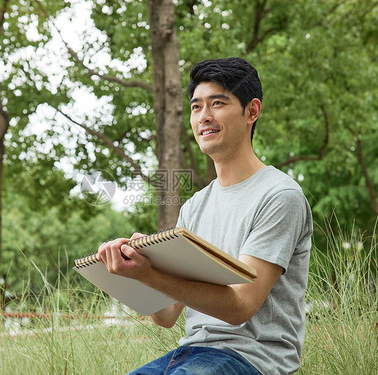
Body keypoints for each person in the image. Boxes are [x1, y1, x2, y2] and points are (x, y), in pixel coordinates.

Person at [98, 57, 313, 375]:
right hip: (190, 353)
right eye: (196, 107)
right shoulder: (194, 207)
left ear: (252, 111)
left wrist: (150, 275)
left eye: (218, 103)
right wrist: (133, 271)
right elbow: (167, 316)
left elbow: (241, 306)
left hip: (253, 359)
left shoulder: (280, 195)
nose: (204, 117)